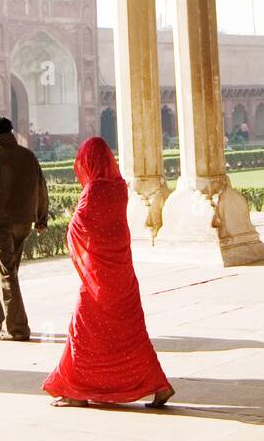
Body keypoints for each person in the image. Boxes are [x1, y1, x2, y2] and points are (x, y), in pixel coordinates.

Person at [43, 137, 174, 409]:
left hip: (99, 280)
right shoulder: (120, 188)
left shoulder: (93, 191)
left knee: (82, 330)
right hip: (122, 274)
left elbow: (78, 227)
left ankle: (77, 391)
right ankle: (159, 385)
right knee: (133, 335)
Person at [0, 115, 49, 341]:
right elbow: (41, 187)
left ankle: (18, 329)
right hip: (24, 221)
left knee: (6, 274)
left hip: (0, 223)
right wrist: (41, 218)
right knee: (9, 273)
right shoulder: (28, 155)